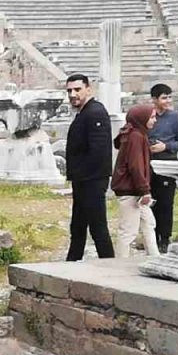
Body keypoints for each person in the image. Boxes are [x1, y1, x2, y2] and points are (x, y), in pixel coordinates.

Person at [63, 74, 115, 261]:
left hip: (92, 180)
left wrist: (87, 179)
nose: (72, 94)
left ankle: (110, 265)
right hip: (82, 179)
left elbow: (99, 152)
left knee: (97, 226)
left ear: (88, 89)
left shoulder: (95, 112)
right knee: (78, 226)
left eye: (77, 89)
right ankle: (72, 262)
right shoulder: (85, 113)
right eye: (69, 90)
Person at [111, 105, 160, 259]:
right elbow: (136, 166)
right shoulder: (136, 137)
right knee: (128, 230)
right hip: (131, 190)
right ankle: (121, 263)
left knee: (148, 224)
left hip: (135, 190)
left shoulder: (136, 134)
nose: (154, 120)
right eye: (151, 117)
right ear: (142, 119)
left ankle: (154, 257)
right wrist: (144, 190)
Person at [147, 83, 178, 253]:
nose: (168, 101)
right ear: (155, 100)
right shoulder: (148, 117)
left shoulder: (176, 117)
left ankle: (164, 238)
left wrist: (166, 146)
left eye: (169, 97)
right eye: (164, 97)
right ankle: (151, 237)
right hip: (148, 163)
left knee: (165, 203)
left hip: (167, 162)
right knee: (149, 202)